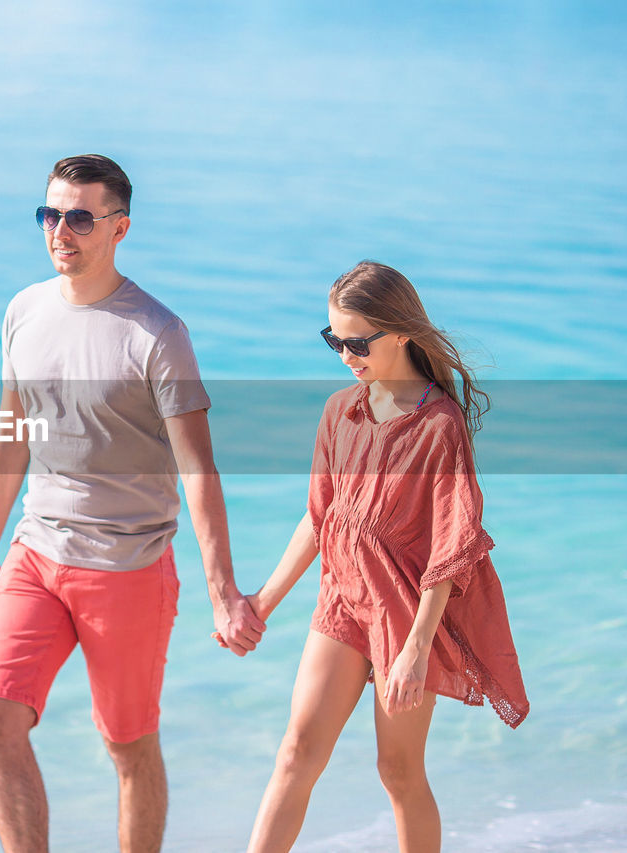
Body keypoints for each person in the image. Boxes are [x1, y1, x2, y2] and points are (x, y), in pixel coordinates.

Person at [0, 154, 265, 853]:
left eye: (78, 217)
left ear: (118, 227)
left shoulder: (156, 333)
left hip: (127, 567)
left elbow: (198, 466)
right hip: (36, 552)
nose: (59, 230)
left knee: (128, 746)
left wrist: (223, 590)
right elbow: (10, 432)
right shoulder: (23, 310)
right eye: (49, 214)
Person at [232, 261, 529, 853]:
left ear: (400, 333)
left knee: (397, 772)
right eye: (333, 339)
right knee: (295, 753)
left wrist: (415, 649)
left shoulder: (439, 424)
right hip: (343, 602)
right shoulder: (341, 410)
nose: (345, 354)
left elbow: (452, 546)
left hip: (407, 617)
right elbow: (319, 518)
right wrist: (261, 601)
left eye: (356, 341)